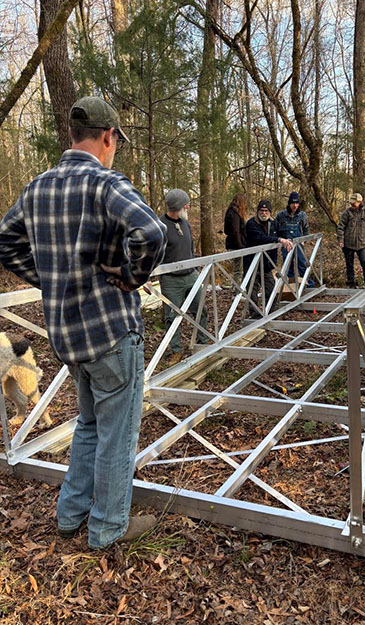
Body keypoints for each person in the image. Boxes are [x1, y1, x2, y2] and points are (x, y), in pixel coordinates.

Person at [0, 96, 168, 550]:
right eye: (117, 140)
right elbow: (153, 232)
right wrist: (131, 278)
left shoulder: (37, 188)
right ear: (108, 136)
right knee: (117, 433)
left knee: (90, 425)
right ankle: (107, 529)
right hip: (110, 332)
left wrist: (49, 276)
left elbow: (6, 242)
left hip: (67, 335)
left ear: (72, 136)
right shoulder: (106, 183)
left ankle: (69, 515)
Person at [159, 189, 209, 366]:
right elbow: (154, 253)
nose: (188, 206)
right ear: (176, 206)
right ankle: (176, 351)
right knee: (172, 317)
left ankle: (203, 344)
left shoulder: (185, 223)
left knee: (201, 310)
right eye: (185, 204)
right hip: (171, 280)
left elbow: (191, 248)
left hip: (191, 276)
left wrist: (195, 268)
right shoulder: (160, 225)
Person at [245, 199, 293, 318]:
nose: (264, 213)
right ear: (257, 211)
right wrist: (278, 240)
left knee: (270, 288)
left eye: (266, 211)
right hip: (252, 263)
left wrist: (289, 239)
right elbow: (260, 238)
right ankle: (255, 315)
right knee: (252, 290)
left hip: (266, 263)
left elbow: (282, 233)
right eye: (261, 210)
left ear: (270, 212)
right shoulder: (251, 224)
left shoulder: (273, 223)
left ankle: (269, 312)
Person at [275, 191, 314, 287]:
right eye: (293, 203)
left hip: (299, 243)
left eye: (297, 203)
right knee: (288, 265)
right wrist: (280, 241)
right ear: (289, 203)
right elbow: (276, 230)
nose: (295, 206)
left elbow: (306, 228)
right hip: (286, 243)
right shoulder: (281, 215)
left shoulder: (302, 215)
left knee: (302, 264)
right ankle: (292, 286)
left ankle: (307, 284)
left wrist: (304, 240)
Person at [223, 193, 247, 286]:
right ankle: (237, 292)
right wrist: (240, 246)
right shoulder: (235, 214)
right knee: (238, 270)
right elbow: (235, 231)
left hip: (233, 243)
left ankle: (237, 289)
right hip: (236, 245)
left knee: (238, 269)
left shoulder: (230, 212)